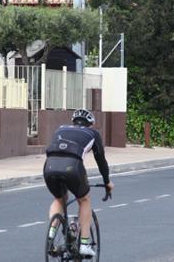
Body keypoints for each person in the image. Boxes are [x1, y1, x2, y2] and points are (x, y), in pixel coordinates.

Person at [43, 109, 114, 257]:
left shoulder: (61, 128)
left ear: (73, 122)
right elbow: (101, 161)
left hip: (49, 165)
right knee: (84, 199)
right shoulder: (93, 134)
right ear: (91, 124)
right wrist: (107, 182)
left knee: (59, 198)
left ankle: (51, 235)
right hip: (72, 166)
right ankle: (85, 243)